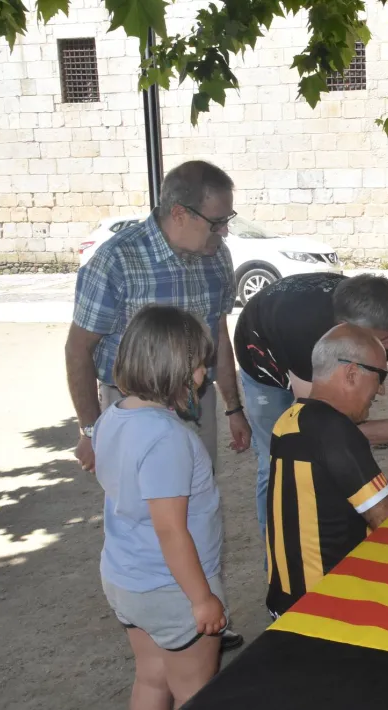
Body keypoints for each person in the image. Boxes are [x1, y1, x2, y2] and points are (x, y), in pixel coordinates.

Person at [67, 160, 248, 649]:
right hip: (132, 408)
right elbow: (79, 349)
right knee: (149, 516)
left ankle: (204, 608)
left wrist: (232, 407)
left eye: (227, 220)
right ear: (180, 213)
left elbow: (218, 333)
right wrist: (90, 430)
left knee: (196, 505)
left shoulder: (215, 256)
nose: (224, 232)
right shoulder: (116, 260)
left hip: (195, 400)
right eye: (217, 221)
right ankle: (161, 609)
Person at [233, 272, 388, 544]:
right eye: (382, 340)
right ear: (346, 331)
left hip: (302, 318)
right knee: (277, 457)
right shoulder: (308, 334)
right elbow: (316, 431)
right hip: (263, 347)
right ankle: (277, 551)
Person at [94, 305, 228, 708]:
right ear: (175, 368)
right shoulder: (167, 438)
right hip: (172, 590)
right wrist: (201, 598)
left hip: (127, 578)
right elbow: (171, 530)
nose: (204, 373)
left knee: (152, 679)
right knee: (196, 691)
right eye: (200, 364)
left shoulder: (112, 416)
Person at [265, 323, 388, 617]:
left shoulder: (290, 420)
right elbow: (387, 520)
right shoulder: (335, 429)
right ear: (352, 373)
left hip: (285, 603)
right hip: (324, 606)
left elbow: (342, 495)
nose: (381, 390)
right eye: (380, 376)